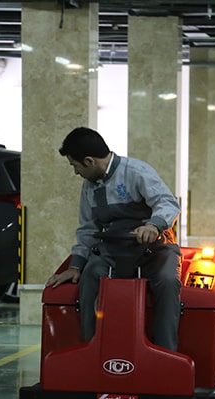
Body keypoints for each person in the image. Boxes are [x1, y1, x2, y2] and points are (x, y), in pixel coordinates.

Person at [45, 127, 182, 351]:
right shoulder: (89, 187)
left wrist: (153, 225)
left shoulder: (136, 172)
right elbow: (88, 229)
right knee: (89, 277)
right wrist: (76, 266)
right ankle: (91, 350)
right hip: (112, 251)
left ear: (89, 161)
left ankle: (165, 352)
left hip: (154, 251)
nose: (76, 172)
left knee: (168, 281)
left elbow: (167, 203)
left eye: (75, 165)